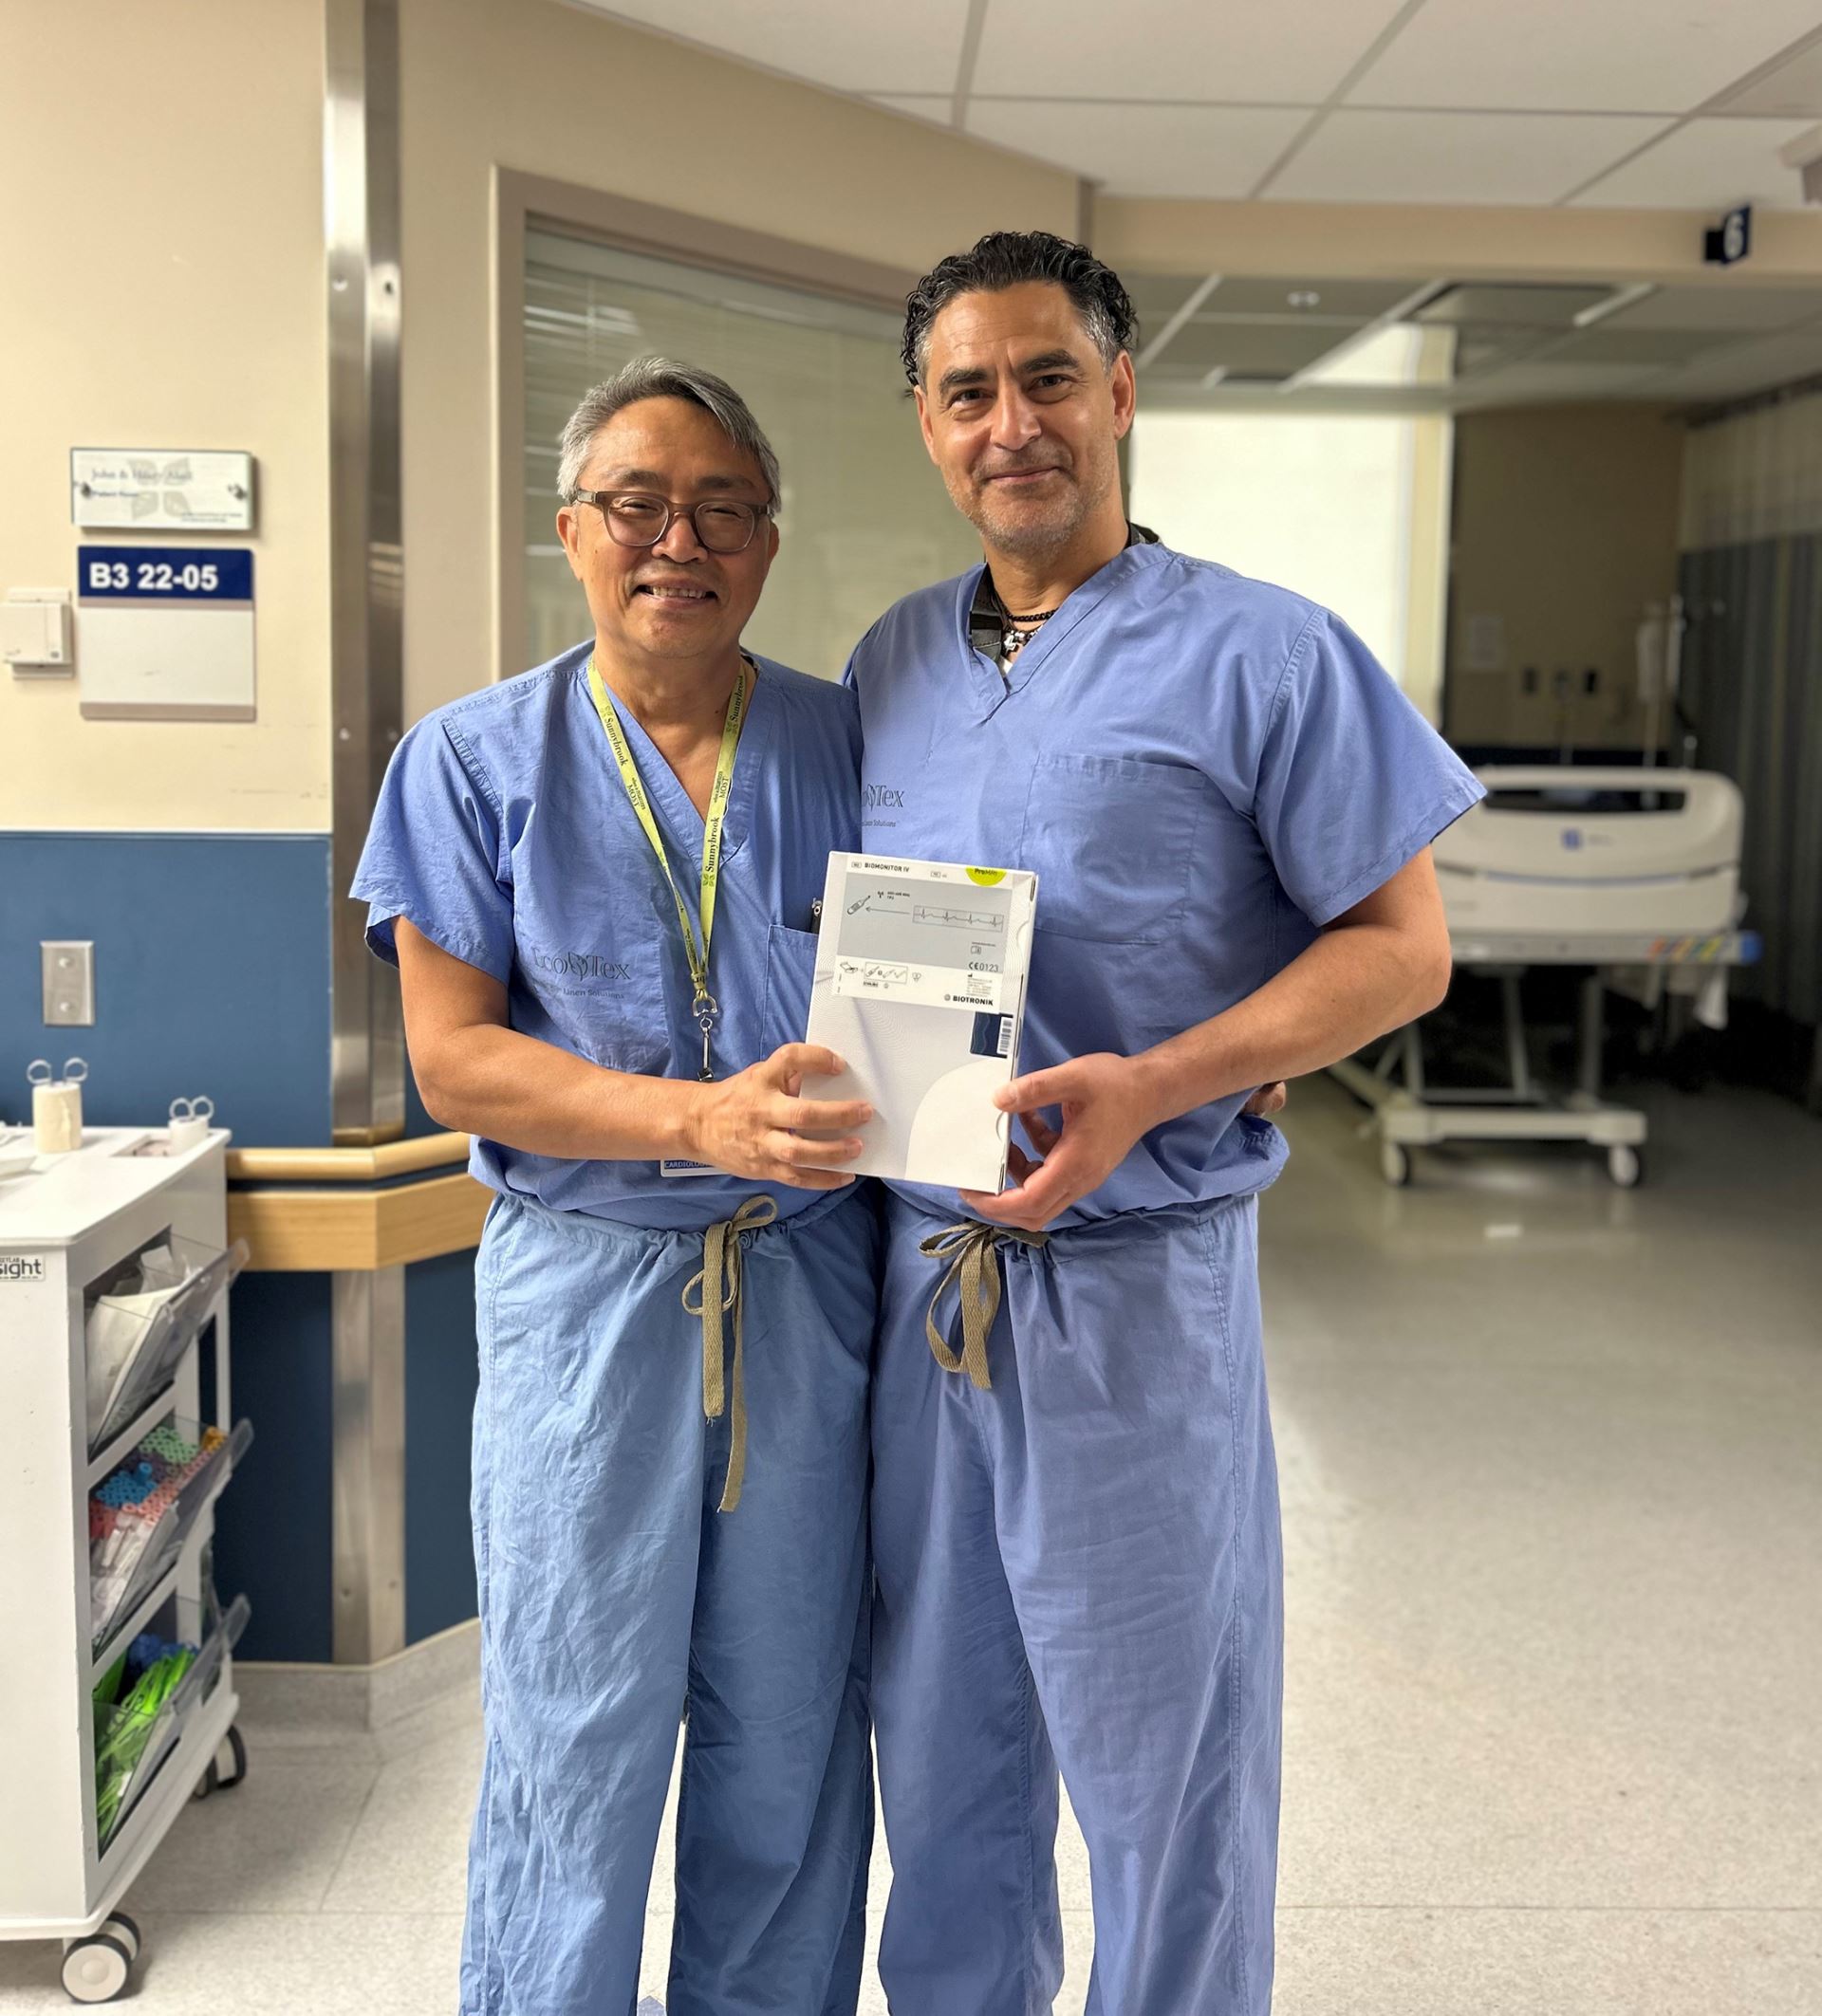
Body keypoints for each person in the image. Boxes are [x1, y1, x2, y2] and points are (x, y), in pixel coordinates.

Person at [845, 232, 1484, 2016]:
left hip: (1138, 1293)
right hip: (925, 1284)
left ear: (1121, 394)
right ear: (928, 423)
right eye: (968, 390)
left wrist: (1163, 1082)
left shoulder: (1268, 655)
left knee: (1166, 1770)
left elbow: (1404, 950)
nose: (1012, 423)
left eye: (1050, 377)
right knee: (943, 1744)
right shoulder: (896, 656)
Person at [351, 360, 877, 2016]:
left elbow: (979, 958)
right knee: (575, 1731)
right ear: (571, 532)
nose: (680, 540)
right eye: (639, 504)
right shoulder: (469, 761)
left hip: (807, 1287)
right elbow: (458, 1063)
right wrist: (691, 1121)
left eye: (721, 507)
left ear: (769, 543)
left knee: (789, 1730)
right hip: (588, 1300)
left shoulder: (845, 741)